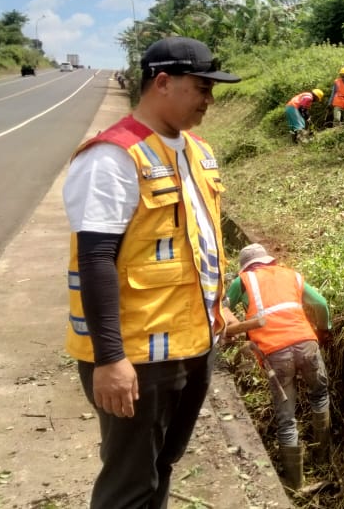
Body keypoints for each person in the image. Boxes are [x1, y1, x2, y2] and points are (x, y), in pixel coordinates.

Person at [64, 36, 241, 508]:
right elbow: (94, 259)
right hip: (136, 357)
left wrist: (216, 308)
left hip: (193, 344)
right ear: (163, 82)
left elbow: (198, 243)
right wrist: (109, 359)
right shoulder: (113, 157)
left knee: (162, 465)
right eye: (202, 87)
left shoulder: (197, 151)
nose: (209, 99)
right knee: (129, 484)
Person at [224, 243, 333, 489]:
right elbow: (322, 305)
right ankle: (323, 461)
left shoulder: (242, 282)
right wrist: (324, 332)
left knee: (287, 419)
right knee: (319, 395)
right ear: (268, 260)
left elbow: (221, 309)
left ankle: (295, 483)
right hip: (307, 345)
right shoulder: (291, 274)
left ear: (246, 266)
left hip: (275, 353)